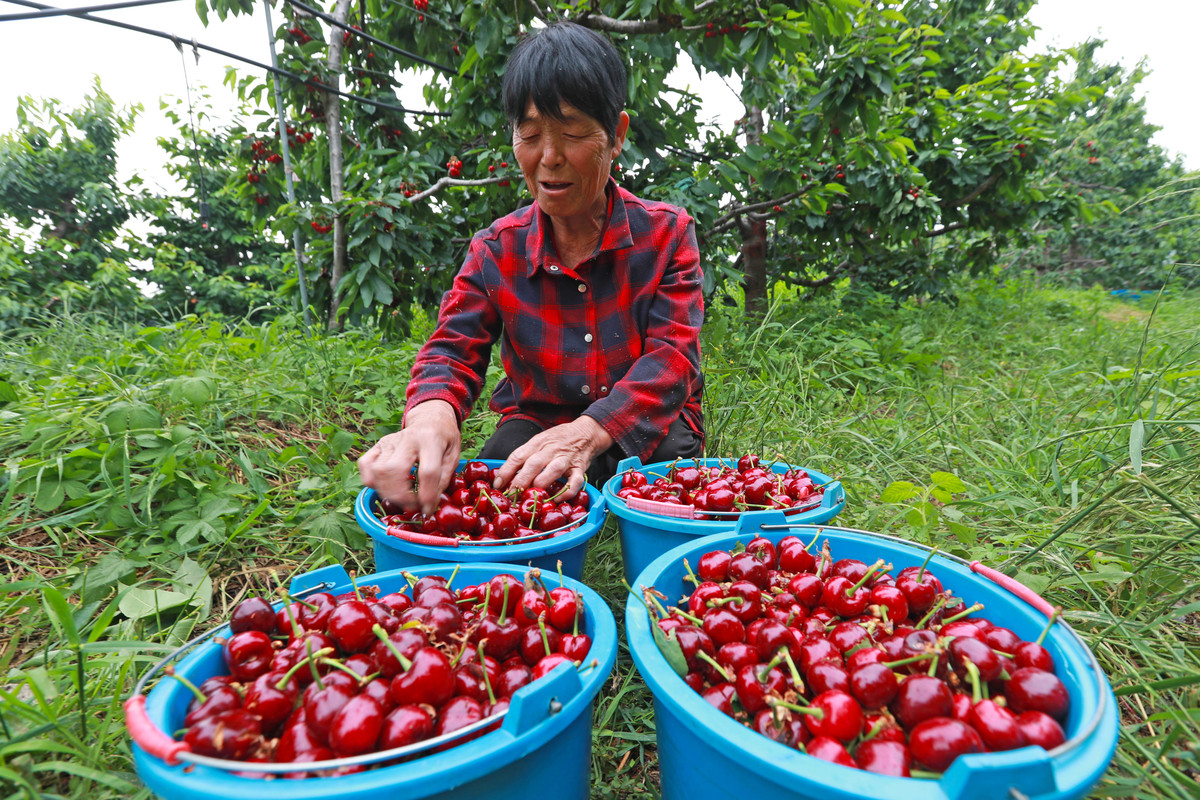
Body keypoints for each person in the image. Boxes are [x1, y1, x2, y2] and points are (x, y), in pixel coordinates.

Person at [357, 21, 704, 514]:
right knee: (500, 475)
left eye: (572, 133)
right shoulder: (496, 249)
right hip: (539, 420)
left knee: (669, 471)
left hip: (643, 421)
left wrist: (588, 432)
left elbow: (672, 361)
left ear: (617, 135)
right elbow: (452, 348)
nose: (549, 157)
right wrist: (431, 416)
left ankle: (608, 480)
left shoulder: (667, 234)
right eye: (531, 134)